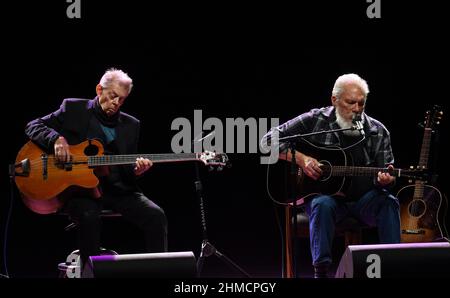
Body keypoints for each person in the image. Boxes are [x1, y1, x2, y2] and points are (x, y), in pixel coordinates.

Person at [25, 68, 168, 270]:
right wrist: (56, 139)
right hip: (80, 191)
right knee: (88, 215)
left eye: (122, 100)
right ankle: (89, 273)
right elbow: (33, 126)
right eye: (112, 96)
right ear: (99, 89)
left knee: (156, 216)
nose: (116, 103)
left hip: (117, 191)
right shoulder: (73, 108)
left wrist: (136, 171)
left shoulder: (131, 125)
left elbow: (125, 169)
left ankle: (160, 274)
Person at [264, 73, 400, 278]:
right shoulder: (316, 120)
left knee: (389, 202)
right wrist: (302, 158)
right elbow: (266, 142)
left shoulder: (377, 131)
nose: (356, 109)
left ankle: (393, 267)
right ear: (334, 100)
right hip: (328, 201)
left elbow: (386, 172)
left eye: (361, 104)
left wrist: (387, 181)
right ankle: (321, 272)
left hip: (363, 202)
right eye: (350, 102)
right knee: (322, 204)